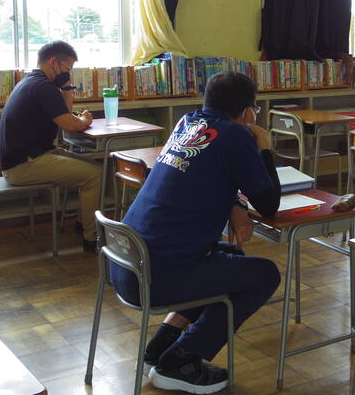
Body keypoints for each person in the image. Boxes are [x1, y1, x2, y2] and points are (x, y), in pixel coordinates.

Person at [110, 72, 281, 394]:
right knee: (264, 275)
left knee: (232, 260)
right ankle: (181, 361)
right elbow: (269, 204)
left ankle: (160, 348)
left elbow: (207, 173)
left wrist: (235, 204)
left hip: (127, 265)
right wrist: (265, 149)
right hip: (156, 278)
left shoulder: (186, 123)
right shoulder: (236, 135)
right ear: (248, 111)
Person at [0, 40, 101, 251]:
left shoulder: (31, 81)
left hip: (28, 157)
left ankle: (82, 223)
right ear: (54, 62)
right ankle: (91, 238)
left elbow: (66, 113)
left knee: (96, 168)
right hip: (23, 165)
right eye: (67, 68)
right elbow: (70, 124)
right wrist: (85, 119)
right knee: (94, 175)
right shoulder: (43, 87)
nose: (68, 73)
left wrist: (67, 88)